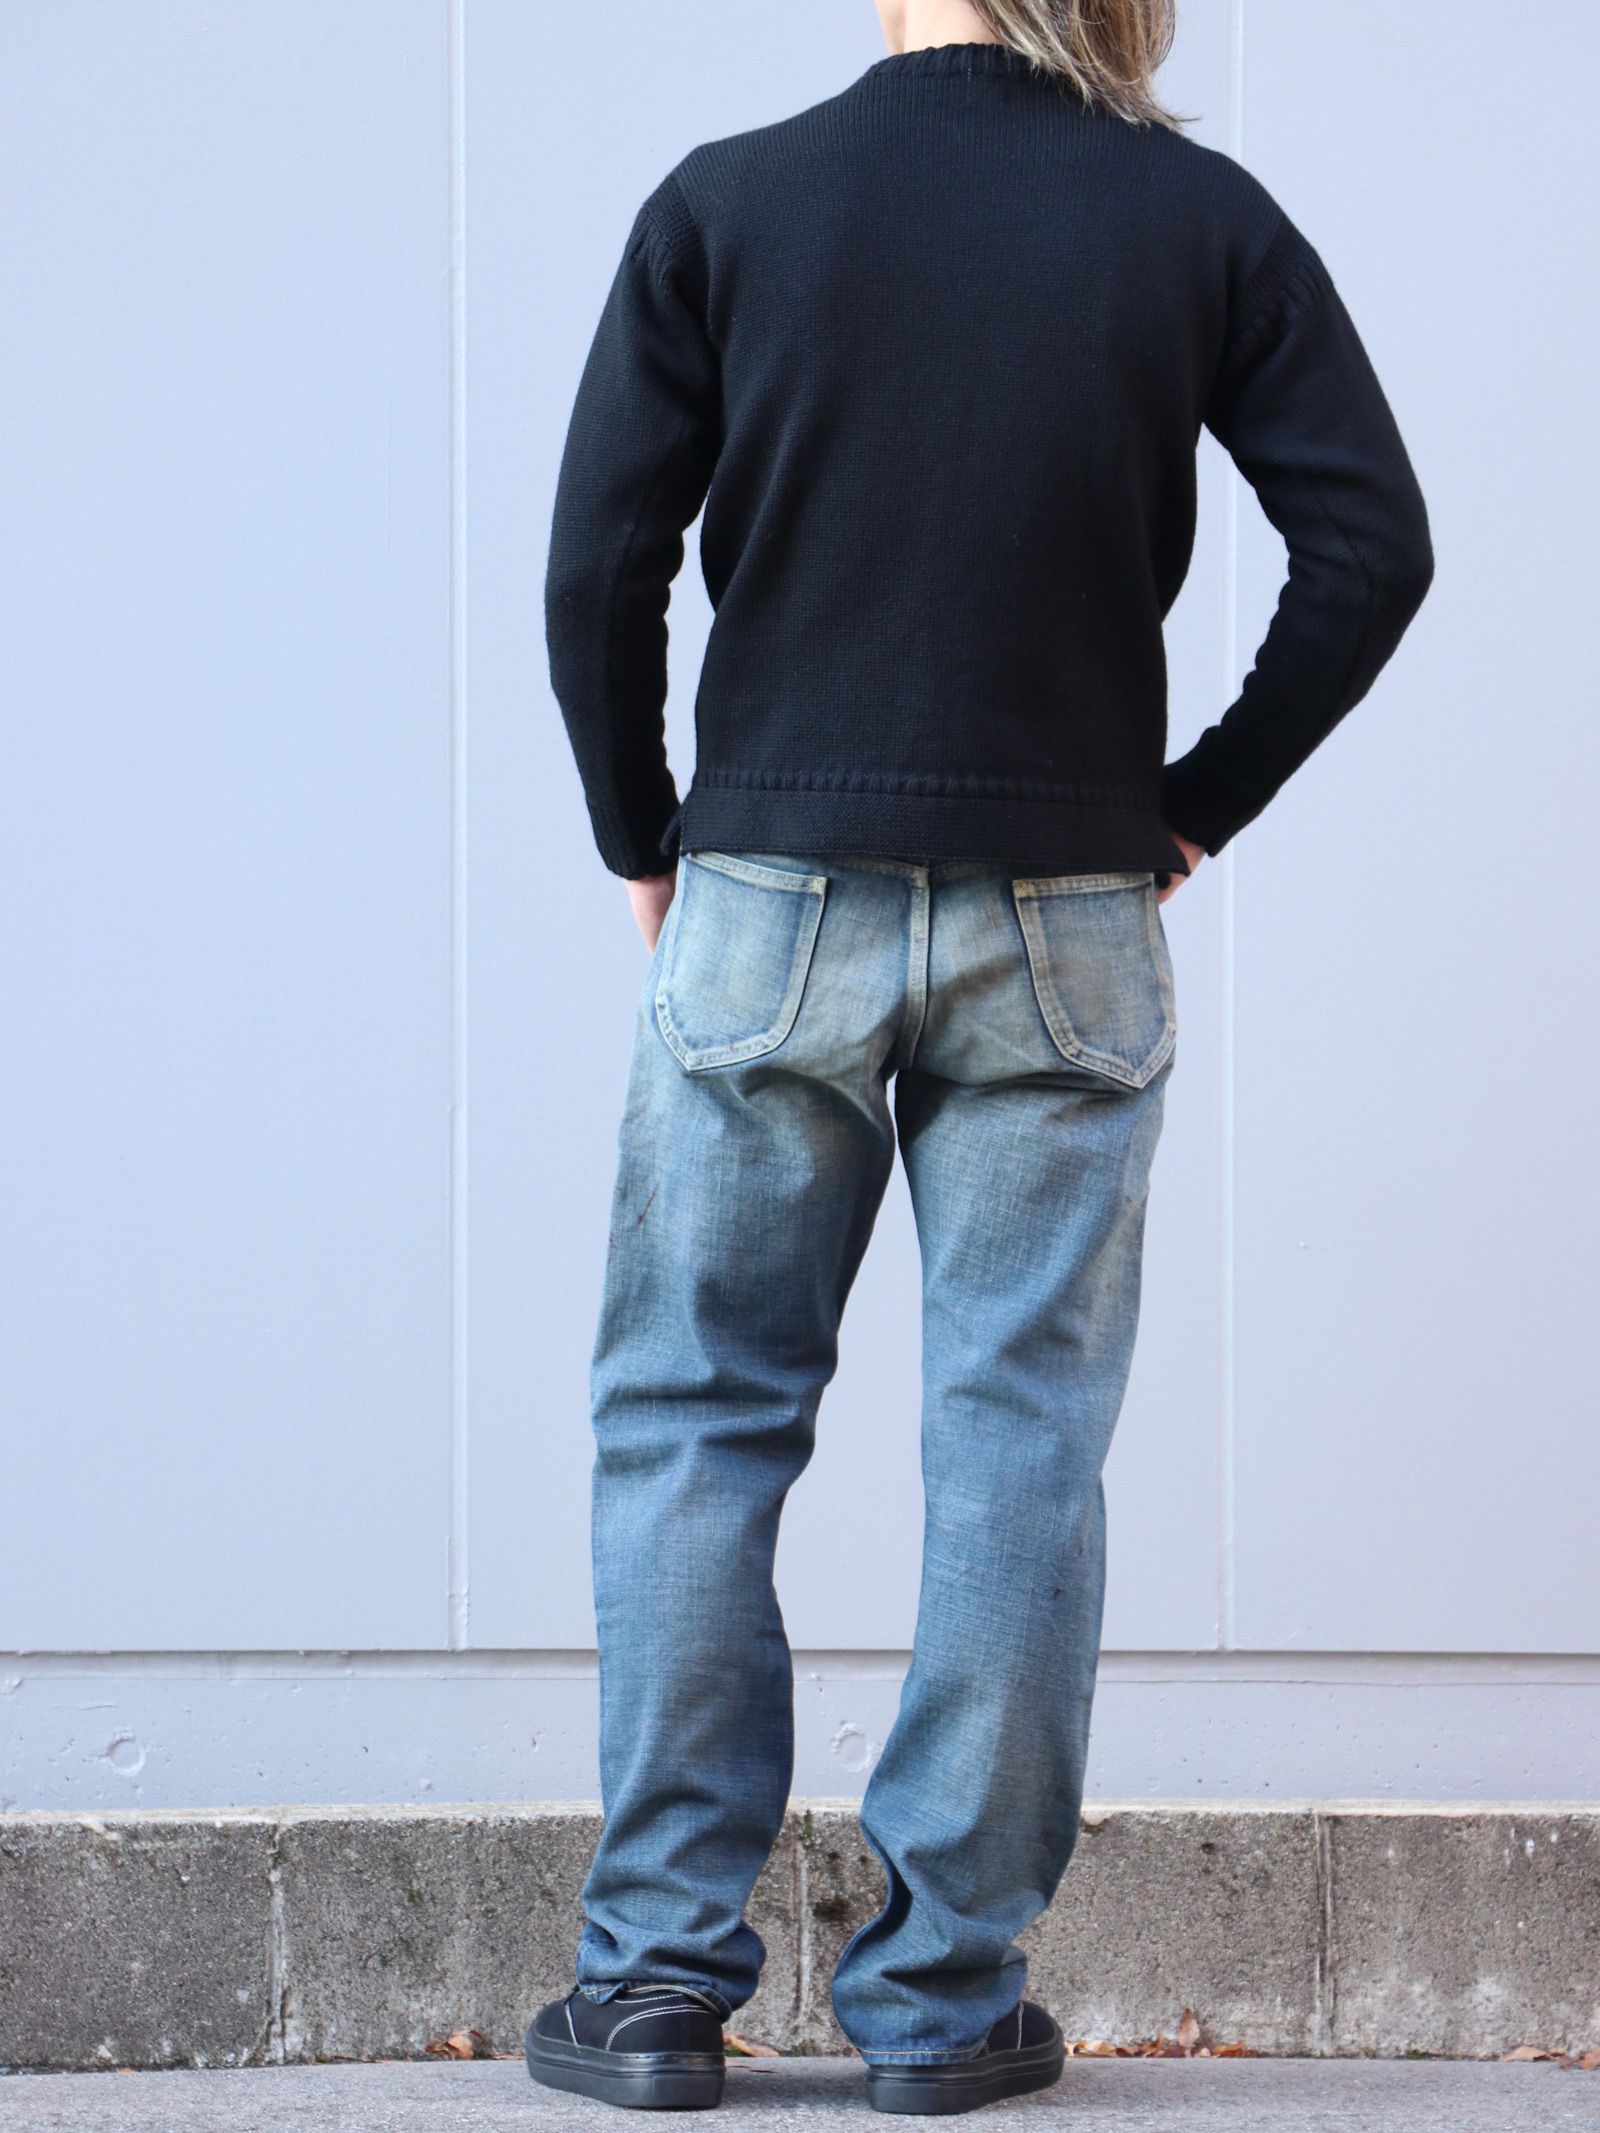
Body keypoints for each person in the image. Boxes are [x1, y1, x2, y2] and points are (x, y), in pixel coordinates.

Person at [526, 0, 1433, 2113]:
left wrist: (641, 831)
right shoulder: (1194, 218)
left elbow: (597, 563)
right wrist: (1189, 803)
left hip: (770, 886)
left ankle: (654, 1985)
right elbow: (1374, 547)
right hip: (1065, 904)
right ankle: (940, 2002)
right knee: (1020, 1437)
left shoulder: (731, 204)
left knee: (693, 1419)